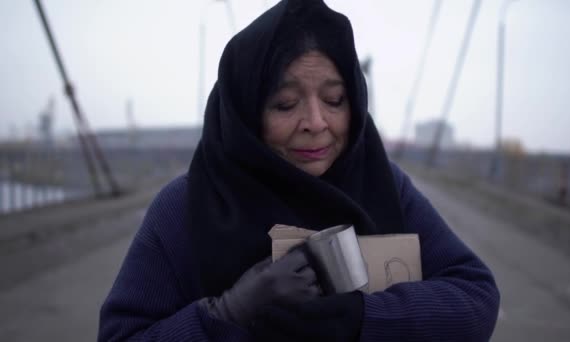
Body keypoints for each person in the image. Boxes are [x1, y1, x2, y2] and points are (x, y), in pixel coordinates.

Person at [98, 0, 500, 341]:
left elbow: (476, 298)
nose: (315, 122)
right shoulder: (183, 208)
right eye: (286, 104)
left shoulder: (385, 185)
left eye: (335, 99)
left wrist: (362, 317)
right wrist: (228, 313)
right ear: (245, 116)